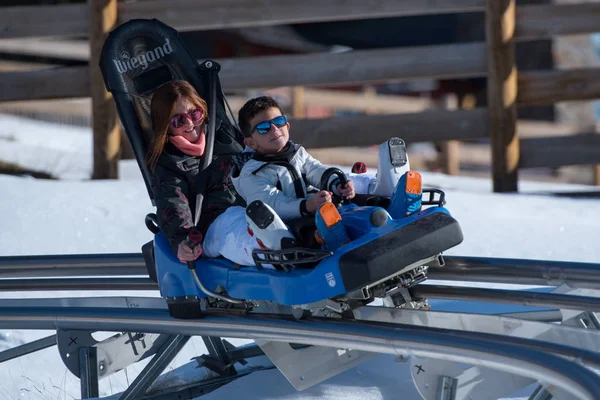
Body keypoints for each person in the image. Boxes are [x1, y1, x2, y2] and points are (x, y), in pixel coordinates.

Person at [148, 80, 290, 266]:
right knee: (236, 224)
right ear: (166, 126)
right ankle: (274, 253)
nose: (190, 123)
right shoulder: (168, 162)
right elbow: (172, 204)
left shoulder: (224, 134)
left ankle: (306, 239)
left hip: (258, 201)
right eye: (178, 120)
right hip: (215, 225)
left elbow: (261, 156)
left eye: (194, 113)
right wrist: (182, 239)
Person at [231, 95, 415, 222]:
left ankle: (397, 208)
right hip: (289, 224)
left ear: (287, 125)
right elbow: (273, 204)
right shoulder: (253, 173)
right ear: (251, 143)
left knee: (356, 203)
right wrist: (307, 205)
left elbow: (316, 171)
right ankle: (366, 229)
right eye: (264, 128)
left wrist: (337, 184)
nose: (274, 130)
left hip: (316, 209)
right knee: (335, 218)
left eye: (278, 122)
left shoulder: (296, 153)